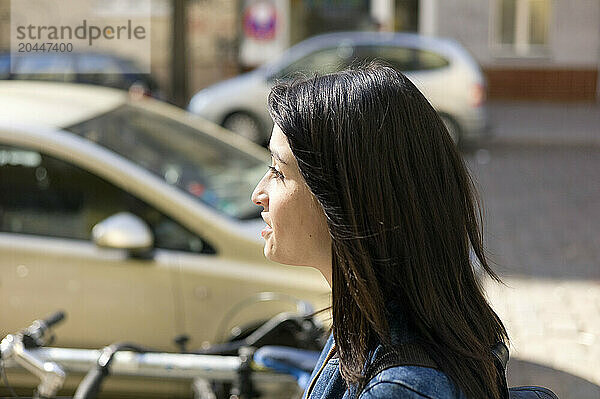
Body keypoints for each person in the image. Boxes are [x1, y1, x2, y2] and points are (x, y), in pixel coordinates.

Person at [251, 62, 508, 399]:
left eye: (278, 171)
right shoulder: (371, 322)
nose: (259, 194)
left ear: (344, 197)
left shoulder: (400, 388)